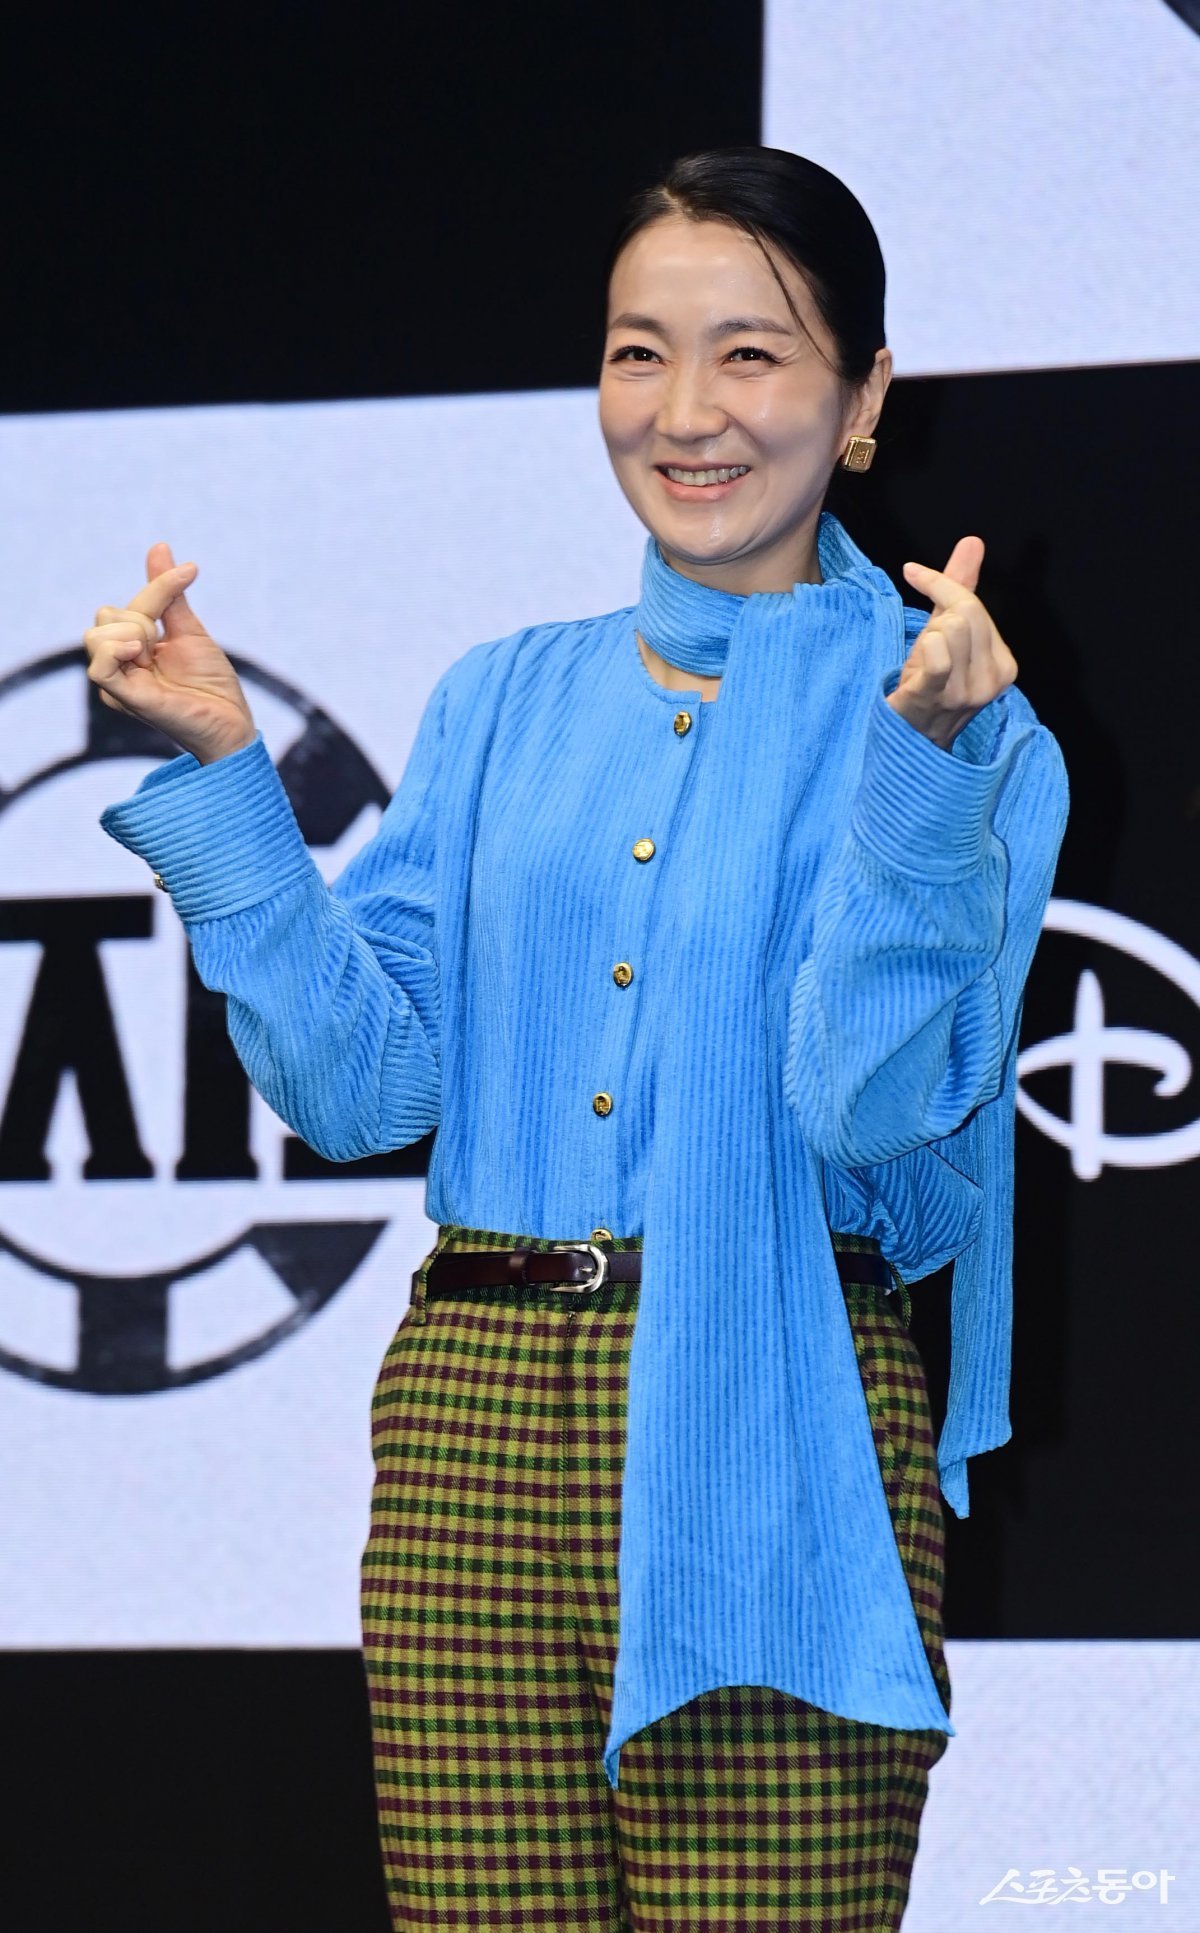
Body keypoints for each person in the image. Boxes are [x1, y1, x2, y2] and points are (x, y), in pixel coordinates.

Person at [87, 147, 1069, 1931]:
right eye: (638, 352)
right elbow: (360, 1088)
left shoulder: (966, 724)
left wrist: (918, 780)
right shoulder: (498, 696)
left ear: (865, 397)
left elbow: (861, 1107)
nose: (686, 412)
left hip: (779, 1423)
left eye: (752, 353)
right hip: (473, 1428)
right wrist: (228, 779)